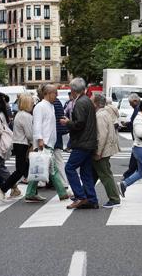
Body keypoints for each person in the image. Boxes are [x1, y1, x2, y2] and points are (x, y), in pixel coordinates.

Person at [24, 85, 69, 203]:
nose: (57, 95)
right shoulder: (40, 106)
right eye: (55, 93)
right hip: (44, 142)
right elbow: (37, 124)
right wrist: (39, 139)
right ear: (48, 93)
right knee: (51, 168)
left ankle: (30, 193)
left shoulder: (50, 106)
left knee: (39, 167)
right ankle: (62, 193)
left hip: (49, 141)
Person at [61, 78, 99, 209]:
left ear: (72, 90)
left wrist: (68, 123)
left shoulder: (79, 103)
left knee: (69, 168)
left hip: (82, 142)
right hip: (89, 142)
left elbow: (80, 124)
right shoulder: (87, 101)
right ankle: (91, 199)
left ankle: (80, 197)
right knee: (86, 172)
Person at [0, 94, 33, 200]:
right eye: (31, 102)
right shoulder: (26, 116)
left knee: (26, 170)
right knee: (20, 170)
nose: (32, 104)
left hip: (18, 144)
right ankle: (3, 189)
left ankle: (32, 192)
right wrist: (34, 143)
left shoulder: (19, 114)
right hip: (23, 144)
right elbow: (30, 134)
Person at [92, 93, 121, 208]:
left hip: (103, 150)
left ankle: (114, 199)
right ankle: (85, 193)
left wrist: (98, 152)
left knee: (105, 174)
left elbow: (102, 136)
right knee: (95, 173)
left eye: (92, 101)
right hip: (106, 149)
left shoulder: (100, 115)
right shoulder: (105, 113)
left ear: (96, 103)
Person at [122, 93, 141, 180]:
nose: (130, 105)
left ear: (135, 101)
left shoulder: (138, 109)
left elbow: (135, 123)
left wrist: (128, 124)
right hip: (138, 137)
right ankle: (130, 174)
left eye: (130, 103)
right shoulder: (138, 108)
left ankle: (128, 174)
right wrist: (127, 124)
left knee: (135, 156)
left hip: (138, 137)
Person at [53, 94, 70, 188]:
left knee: (57, 159)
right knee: (57, 159)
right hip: (57, 134)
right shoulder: (58, 103)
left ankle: (63, 182)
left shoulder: (52, 103)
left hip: (53, 135)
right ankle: (62, 182)